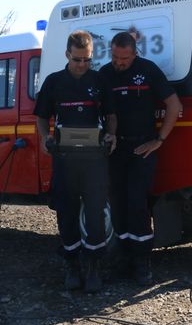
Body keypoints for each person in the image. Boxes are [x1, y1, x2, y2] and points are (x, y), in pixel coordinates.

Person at [34, 30, 116, 293]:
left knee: (94, 216)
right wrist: (45, 137)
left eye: (87, 60)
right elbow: (41, 116)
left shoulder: (99, 80)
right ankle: (72, 265)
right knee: (66, 214)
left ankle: (93, 267)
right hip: (65, 160)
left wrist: (111, 134)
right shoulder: (54, 82)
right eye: (78, 59)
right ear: (68, 54)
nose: (82, 65)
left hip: (94, 162)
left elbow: (111, 114)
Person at [99, 30, 182, 285]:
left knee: (137, 204)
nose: (119, 62)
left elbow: (174, 105)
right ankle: (122, 257)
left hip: (141, 150)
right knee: (117, 204)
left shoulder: (148, 70)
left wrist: (159, 140)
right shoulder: (104, 74)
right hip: (114, 150)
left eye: (124, 58)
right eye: (115, 56)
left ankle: (142, 262)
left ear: (135, 54)